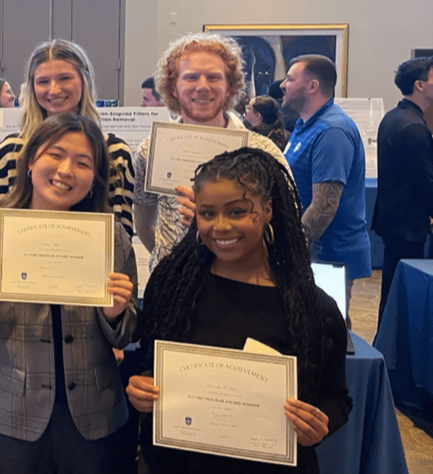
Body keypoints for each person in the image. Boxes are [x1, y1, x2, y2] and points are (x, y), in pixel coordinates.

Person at [126, 148, 351, 474]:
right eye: (207, 213)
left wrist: (320, 422)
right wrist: (142, 387)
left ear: (267, 210)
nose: (221, 227)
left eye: (237, 212)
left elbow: (337, 397)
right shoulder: (173, 288)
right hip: (178, 463)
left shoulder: (312, 307)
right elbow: (149, 364)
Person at [0, 113, 137, 474]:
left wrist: (115, 314)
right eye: (55, 155)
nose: (66, 170)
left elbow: (127, 334)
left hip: (93, 414)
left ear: (95, 178)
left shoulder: (112, 239)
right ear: (31, 160)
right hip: (9, 415)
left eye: (83, 163)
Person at [133, 34, 290, 270]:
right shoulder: (150, 149)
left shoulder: (263, 153)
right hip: (170, 286)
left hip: (241, 283)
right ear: (172, 87)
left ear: (230, 87)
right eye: (191, 77)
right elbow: (144, 221)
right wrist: (166, 257)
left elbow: (287, 226)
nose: (203, 86)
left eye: (214, 77)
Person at [0, 39, 136, 237]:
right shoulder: (12, 150)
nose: (54, 90)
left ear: (84, 82)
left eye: (65, 78)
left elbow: (121, 237)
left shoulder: (116, 153)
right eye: (43, 81)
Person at [280, 55, 370, 307]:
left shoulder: (331, 131)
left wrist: (291, 248)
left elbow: (324, 205)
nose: (282, 85)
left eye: (290, 78)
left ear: (312, 86)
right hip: (311, 252)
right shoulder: (305, 125)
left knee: (325, 334)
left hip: (327, 255)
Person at [373, 57, 433, 326]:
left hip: (394, 221)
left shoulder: (395, 116)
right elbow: (427, 182)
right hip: (408, 226)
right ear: (420, 85)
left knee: (393, 295)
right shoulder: (414, 126)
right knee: (402, 299)